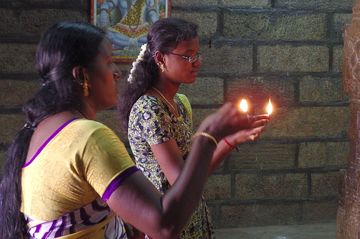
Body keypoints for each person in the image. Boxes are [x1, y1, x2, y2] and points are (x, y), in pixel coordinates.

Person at [0, 21, 268, 239]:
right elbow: (164, 225)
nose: (116, 72)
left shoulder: (41, 129)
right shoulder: (88, 137)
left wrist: (225, 141)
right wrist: (208, 135)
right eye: (107, 63)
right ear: (82, 76)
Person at [118, 17, 269, 238]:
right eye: (188, 56)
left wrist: (229, 140)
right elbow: (181, 180)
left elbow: (194, 170)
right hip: (168, 218)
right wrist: (213, 137)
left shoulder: (180, 102)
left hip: (189, 211)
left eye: (197, 54)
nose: (197, 62)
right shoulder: (149, 110)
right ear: (161, 58)